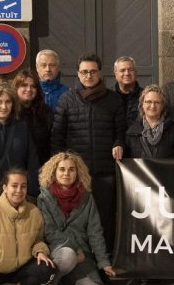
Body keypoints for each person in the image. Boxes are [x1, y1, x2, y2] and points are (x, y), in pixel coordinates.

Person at [52, 53, 126, 250]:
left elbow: (121, 132)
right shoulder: (66, 99)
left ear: (100, 73)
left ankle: (106, 263)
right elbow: (57, 137)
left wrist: (119, 143)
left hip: (105, 172)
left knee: (105, 220)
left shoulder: (113, 99)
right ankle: (80, 265)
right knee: (76, 220)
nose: (89, 75)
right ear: (78, 74)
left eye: (93, 71)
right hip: (76, 174)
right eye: (84, 72)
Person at [37, 152, 116, 285]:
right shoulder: (44, 198)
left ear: (77, 172)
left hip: (82, 255)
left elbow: (95, 231)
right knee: (68, 256)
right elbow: (50, 232)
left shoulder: (87, 197)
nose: (66, 173)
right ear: (54, 172)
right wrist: (74, 248)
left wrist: (103, 262)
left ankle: (67, 282)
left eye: (71, 169)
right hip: (58, 252)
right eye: (62, 169)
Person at [124, 85, 174, 159]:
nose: (152, 106)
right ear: (142, 105)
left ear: (163, 105)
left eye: (157, 102)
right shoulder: (132, 132)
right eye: (148, 102)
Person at [13, 70, 52, 165]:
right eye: (24, 85)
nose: (29, 89)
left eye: (33, 86)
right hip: (15, 169)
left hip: (40, 166)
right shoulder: (9, 111)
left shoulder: (45, 112)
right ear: (16, 88)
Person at [113, 56, 143, 126]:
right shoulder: (108, 96)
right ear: (115, 74)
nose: (127, 73)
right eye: (122, 70)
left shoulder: (145, 96)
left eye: (130, 70)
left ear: (136, 73)